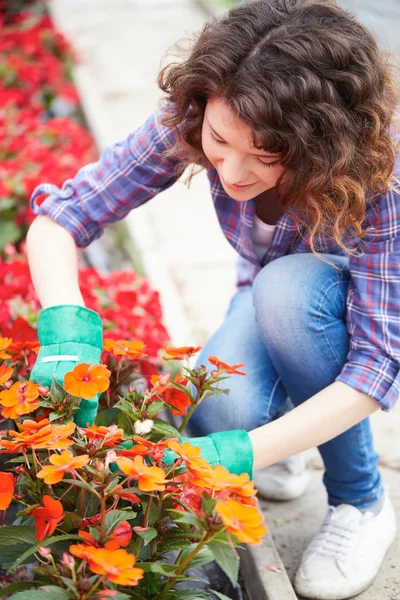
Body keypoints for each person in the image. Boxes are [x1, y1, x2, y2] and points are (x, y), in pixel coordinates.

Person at [26, 1, 399, 598]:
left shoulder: (382, 176)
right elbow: (61, 219)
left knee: (289, 292)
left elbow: (378, 366)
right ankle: (288, 439)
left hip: (333, 310)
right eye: (220, 141)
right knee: (216, 411)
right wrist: (66, 330)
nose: (233, 170)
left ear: (321, 147)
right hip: (269, 300)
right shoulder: (200, 111)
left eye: (268, 156)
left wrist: (241, 454)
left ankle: (362, 501)